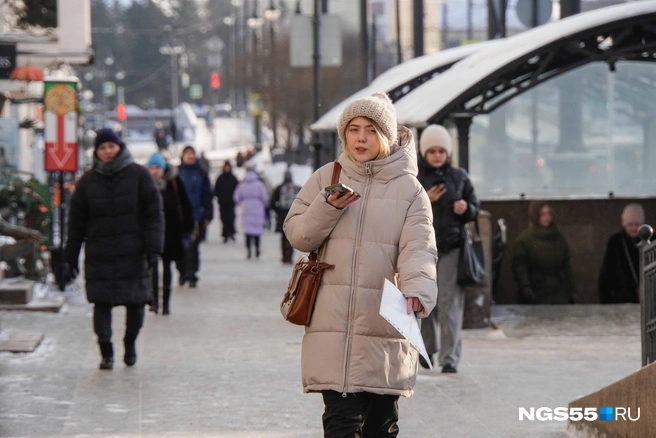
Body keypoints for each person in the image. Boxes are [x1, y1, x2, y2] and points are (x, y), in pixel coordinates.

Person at [284, 92, 437, 437]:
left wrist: (417, 290)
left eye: (370, 129)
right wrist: (328, 207)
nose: (361, 137)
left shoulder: (410, 191)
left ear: (385, 136)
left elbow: (420, 249)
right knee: (340, 424)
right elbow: (298, 236)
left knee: (381, 427)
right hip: (332, 324)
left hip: (383, 321)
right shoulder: (326, 178)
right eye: (353, 129)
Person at [65, 128, 164, 370]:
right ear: (96, 152)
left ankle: (130, 344)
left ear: (119, 147)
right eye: (102, 148)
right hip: (101, 254)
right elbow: (76, 223)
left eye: (112, 146)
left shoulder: (139, 175)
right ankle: (106, 351)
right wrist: (70, 257)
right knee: (102, 303)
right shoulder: (87, 182)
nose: (108, 151)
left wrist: (154, 249)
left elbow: (154, 215)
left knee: (137, 303)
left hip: (134, 252)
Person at [417, 124, 481, 374]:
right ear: (424, 153)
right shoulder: (415, 178)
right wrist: (426, 201)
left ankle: (449, 357)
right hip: (423, 247)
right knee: (423, 300)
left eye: (441, 150)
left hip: (452, 246)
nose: (436, 155)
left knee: (449, 303)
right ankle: (426, 349)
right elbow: (405, 211)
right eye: (431, 150)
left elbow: (476, 208)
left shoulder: (459, 177)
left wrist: (467, 209)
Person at [146, 152, 194, 315]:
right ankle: (153, 300)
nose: (154, 171)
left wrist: (187, 229)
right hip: (150, 233)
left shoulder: (173, 183)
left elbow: (185, 204)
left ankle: (165, 303)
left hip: (170, 233)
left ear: (163, 168)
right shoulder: (144, 184)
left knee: (166, 267)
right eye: (151, 168)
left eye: (157, 168)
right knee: (152, 268)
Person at [511, 201, 576, 305]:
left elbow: (565, 265)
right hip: (536, 292)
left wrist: (571, 290)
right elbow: (520, 266)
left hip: (558, 293)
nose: (547, 217)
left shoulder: (558, 238)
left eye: (549, 213)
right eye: (542, 214)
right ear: (535, 216)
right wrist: (525, 286)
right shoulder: (524, 240)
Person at [177, 145, 213, 287]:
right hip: (179, 217)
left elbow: (207, 195)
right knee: (179, 248)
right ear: (183, 156)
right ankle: (182, 272)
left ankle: (192, 275)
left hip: (196, 216)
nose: (190, 156)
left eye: (192, 153)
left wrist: (208, 214)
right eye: (187, 153)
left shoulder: (201, 173)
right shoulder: (177, 173)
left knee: (193, 248)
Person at [599, 203, 644, 304]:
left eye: (637, 224)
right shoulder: (616, 241)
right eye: (630, 224)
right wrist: (606, 301)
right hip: (622, 297)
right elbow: (607, 272)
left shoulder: (650, 240)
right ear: (625, 224)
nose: (634, 228)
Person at [233, 166, 269, 259]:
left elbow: (236, 197)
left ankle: (248, 251)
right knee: (257, 230)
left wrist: (242, 203)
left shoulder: (242, 184)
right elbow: (265, 197)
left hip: (246, 208)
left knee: (247, 231)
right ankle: (257, 249)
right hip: (258, 207)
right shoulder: (259, 184)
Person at [270, 170, 301, 264]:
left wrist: (278, 211)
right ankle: (290, 256)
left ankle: (284, 257)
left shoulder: (279, 188)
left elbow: (272, 203)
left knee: (283, 238)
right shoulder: (297, 188)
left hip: (283, 215)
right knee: (291, 237)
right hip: (294, 215)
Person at [214, 161, 239, 243]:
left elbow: (238, 189)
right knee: (223, 219)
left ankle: (231, 233)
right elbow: (216, 189)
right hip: (222, 203)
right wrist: (218, 197)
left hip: (231, 203)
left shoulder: (233, 178)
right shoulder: (220, 178)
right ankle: (225, 234)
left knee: (231, 218)